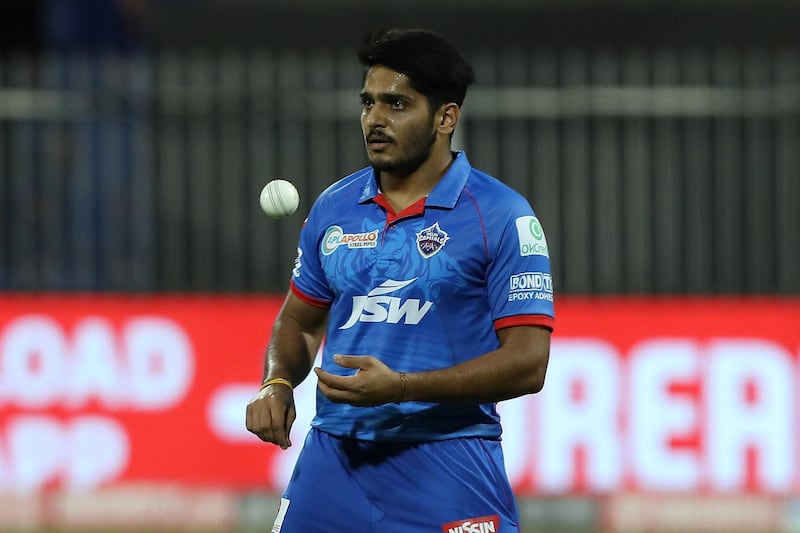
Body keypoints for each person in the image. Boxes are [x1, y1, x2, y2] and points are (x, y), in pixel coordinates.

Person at [246, 27, 554, 533]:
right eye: (368, 103)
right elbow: (299, 323)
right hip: (333, 460)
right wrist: (277, 383)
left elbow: (528, 364)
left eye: (396, 104)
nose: (375, 120)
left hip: (448, 463)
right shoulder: (335, 208)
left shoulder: (500, 216)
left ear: (445, 118)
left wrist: (402, 388)